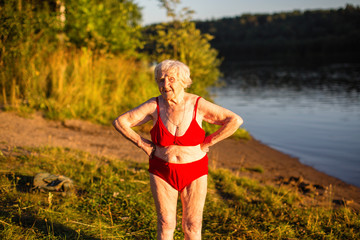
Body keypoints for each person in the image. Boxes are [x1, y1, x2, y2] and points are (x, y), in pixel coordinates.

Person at [113, 59, 243, 239]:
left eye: (171, 79)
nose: (165, 85)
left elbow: (234, 120)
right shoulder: (154, 105)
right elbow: (120, 122)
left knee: (193, 225)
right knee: (166, 223)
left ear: (183, 81)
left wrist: (208, 143)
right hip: (162, 171)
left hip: (195, 171)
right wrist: (141, 143)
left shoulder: (197, 104)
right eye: (160, 80)